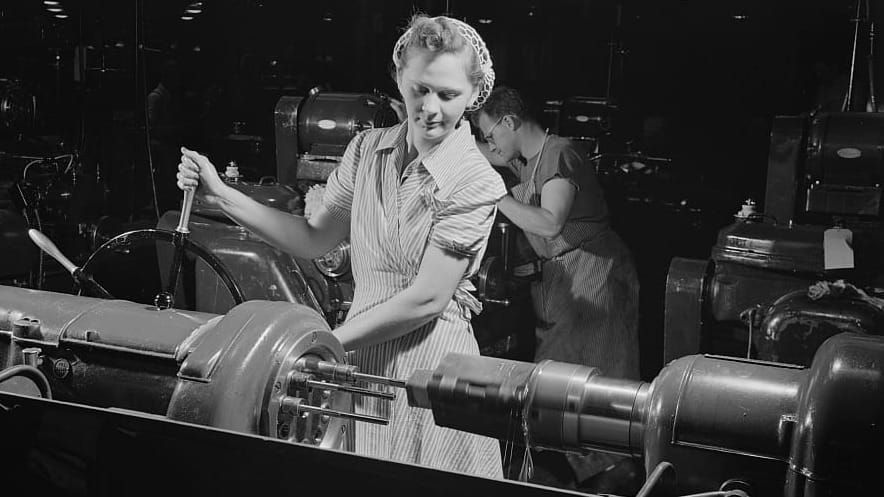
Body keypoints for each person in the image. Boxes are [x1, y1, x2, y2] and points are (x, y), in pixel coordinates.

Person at [176, 15, 505, 479]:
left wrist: (319, 344)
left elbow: (428, 298)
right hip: (361, 359)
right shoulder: (366, 151)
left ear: (473, 96)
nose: (430, 108)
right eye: (419, 89)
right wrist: (221, 196)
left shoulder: (475, 181)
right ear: (398, 79)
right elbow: (313, 238)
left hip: (431, 368)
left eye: (448, 95)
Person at [474, 86, 641, 490]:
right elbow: (483, 155)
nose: (490, 143)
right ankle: (584, 471)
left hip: (595, 279)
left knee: (597, 379)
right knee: (563, 381)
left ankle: (616, 469)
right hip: (564, 280)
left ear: (510, 121)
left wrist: (495, 196)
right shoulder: (528, 160)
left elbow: (549, 223)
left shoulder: (560, 153)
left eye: (491, 133)